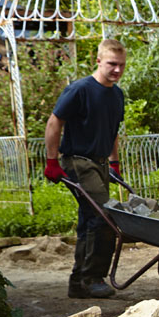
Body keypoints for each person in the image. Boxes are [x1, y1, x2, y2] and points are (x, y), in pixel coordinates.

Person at [43, 38, 127, 299]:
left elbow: (113, 131)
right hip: (78, 160)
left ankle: (79, 282)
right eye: (112, 64)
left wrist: (113, 162)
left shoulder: (116, 95)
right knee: (104, 217)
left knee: (89, 221)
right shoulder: (79, 90)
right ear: (99, 60)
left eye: (121, 65)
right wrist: (52, 161)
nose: (117, 70)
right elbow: (54, 122)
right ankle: (92, 278)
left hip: (100, 163)